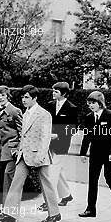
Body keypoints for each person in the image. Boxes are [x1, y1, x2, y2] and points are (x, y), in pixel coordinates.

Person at [0, 85, 61, 222]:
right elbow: (23, 136)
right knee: (16, 182)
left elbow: (45, 137)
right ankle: (10, 214)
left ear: (34, 98)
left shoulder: (44, 114)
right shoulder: (25, 114)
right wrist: (19, 150)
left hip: (39, 155)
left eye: (27, 97)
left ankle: (55, 213)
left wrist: (41, 156)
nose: (23, 100)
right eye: (22, 97)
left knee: (46, 184)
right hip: (24, 154)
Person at [78, 91, 111, 217]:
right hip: (95, 153)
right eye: (89, 103)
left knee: (110, 178)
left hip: (109, 154)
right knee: (92, 181)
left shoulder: (110, 116)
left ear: (100, 103)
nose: (91, 105)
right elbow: (87, 135)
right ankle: (91, 209)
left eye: (93, 103)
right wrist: (83, 152)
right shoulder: (89, 117)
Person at [37, 82, 77, 212]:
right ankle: (66, 195)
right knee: (57, 171)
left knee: (52, 172)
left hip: (62, 144)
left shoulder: (72, 108)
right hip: (48, 143)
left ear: (64, 93)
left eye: (56, 91)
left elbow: (73, 128)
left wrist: (58, 135)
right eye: (53, 91)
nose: (53, 93)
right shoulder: (50, 105)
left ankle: (49, 201)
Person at [0, 86, 22, 211]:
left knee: (9, 176)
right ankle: (7, 208)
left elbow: (22, 132)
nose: (0, 98)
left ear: (8, 96)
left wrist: (19, 149)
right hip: (3, 149)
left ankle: (7, 209)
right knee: (8, 178)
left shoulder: (14, 111)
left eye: (3, 95)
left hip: (13, 150)